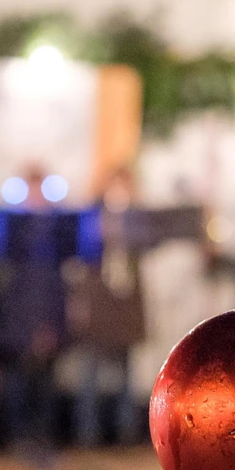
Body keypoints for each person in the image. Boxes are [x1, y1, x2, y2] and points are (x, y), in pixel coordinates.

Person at [0, 165, 68, 459]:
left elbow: (54, 288)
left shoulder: (57, 232)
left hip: (45, 321)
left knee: (44, 388)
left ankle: (43, 439)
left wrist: (51, 326)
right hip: (15, 324)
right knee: (17, 387)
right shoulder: (12, 230)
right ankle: (19, 439)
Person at [69, 167, 147, 447]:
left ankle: (124, 434)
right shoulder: (92, 218)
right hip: (98, 308)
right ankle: (87, 434)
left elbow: (145, 244)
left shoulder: (137, 221)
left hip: (124, 311)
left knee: (124, 375)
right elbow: (82, 253)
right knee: (89, 373)